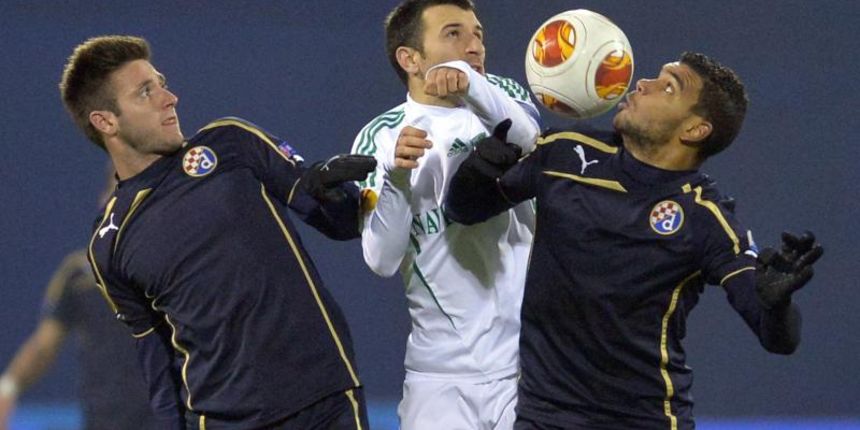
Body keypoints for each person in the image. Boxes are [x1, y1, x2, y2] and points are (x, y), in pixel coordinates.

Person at [445, 52, 824, 429]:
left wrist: (777, 305)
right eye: (656, 76)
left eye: (669, 87)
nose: (643, 83)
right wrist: (482, 167)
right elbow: (465, 209)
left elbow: (778, 338)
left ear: (694, 130)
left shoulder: (704, 217)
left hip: (642, 421)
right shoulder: (565, 153)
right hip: (543, 417)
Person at [59, 35, 377, 430]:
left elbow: (342, 222)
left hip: (324, 402)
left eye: (161, 82)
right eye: (146, 92)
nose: (169, 97)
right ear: (106, 121)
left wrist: (330, 189)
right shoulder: (110, 243)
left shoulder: (230, 143)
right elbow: (157, 361)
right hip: (223, 422)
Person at [350, 0, 540, 428]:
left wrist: (471, 87)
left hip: (529, 366)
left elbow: (529, 140)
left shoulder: (502, 96)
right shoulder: (378, 136)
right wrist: (397, 178)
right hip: (439, 378)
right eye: (453, 33)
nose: (475, 46)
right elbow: (380, 260)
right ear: (410, 58)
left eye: (478, 34)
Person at [0, 244, 156, 430]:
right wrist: (8, 388)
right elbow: (44, 346)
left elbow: (44, 346)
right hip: (118, 412)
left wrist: (8, 387)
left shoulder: (80, 272)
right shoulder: (79, 273)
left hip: (139, 412)